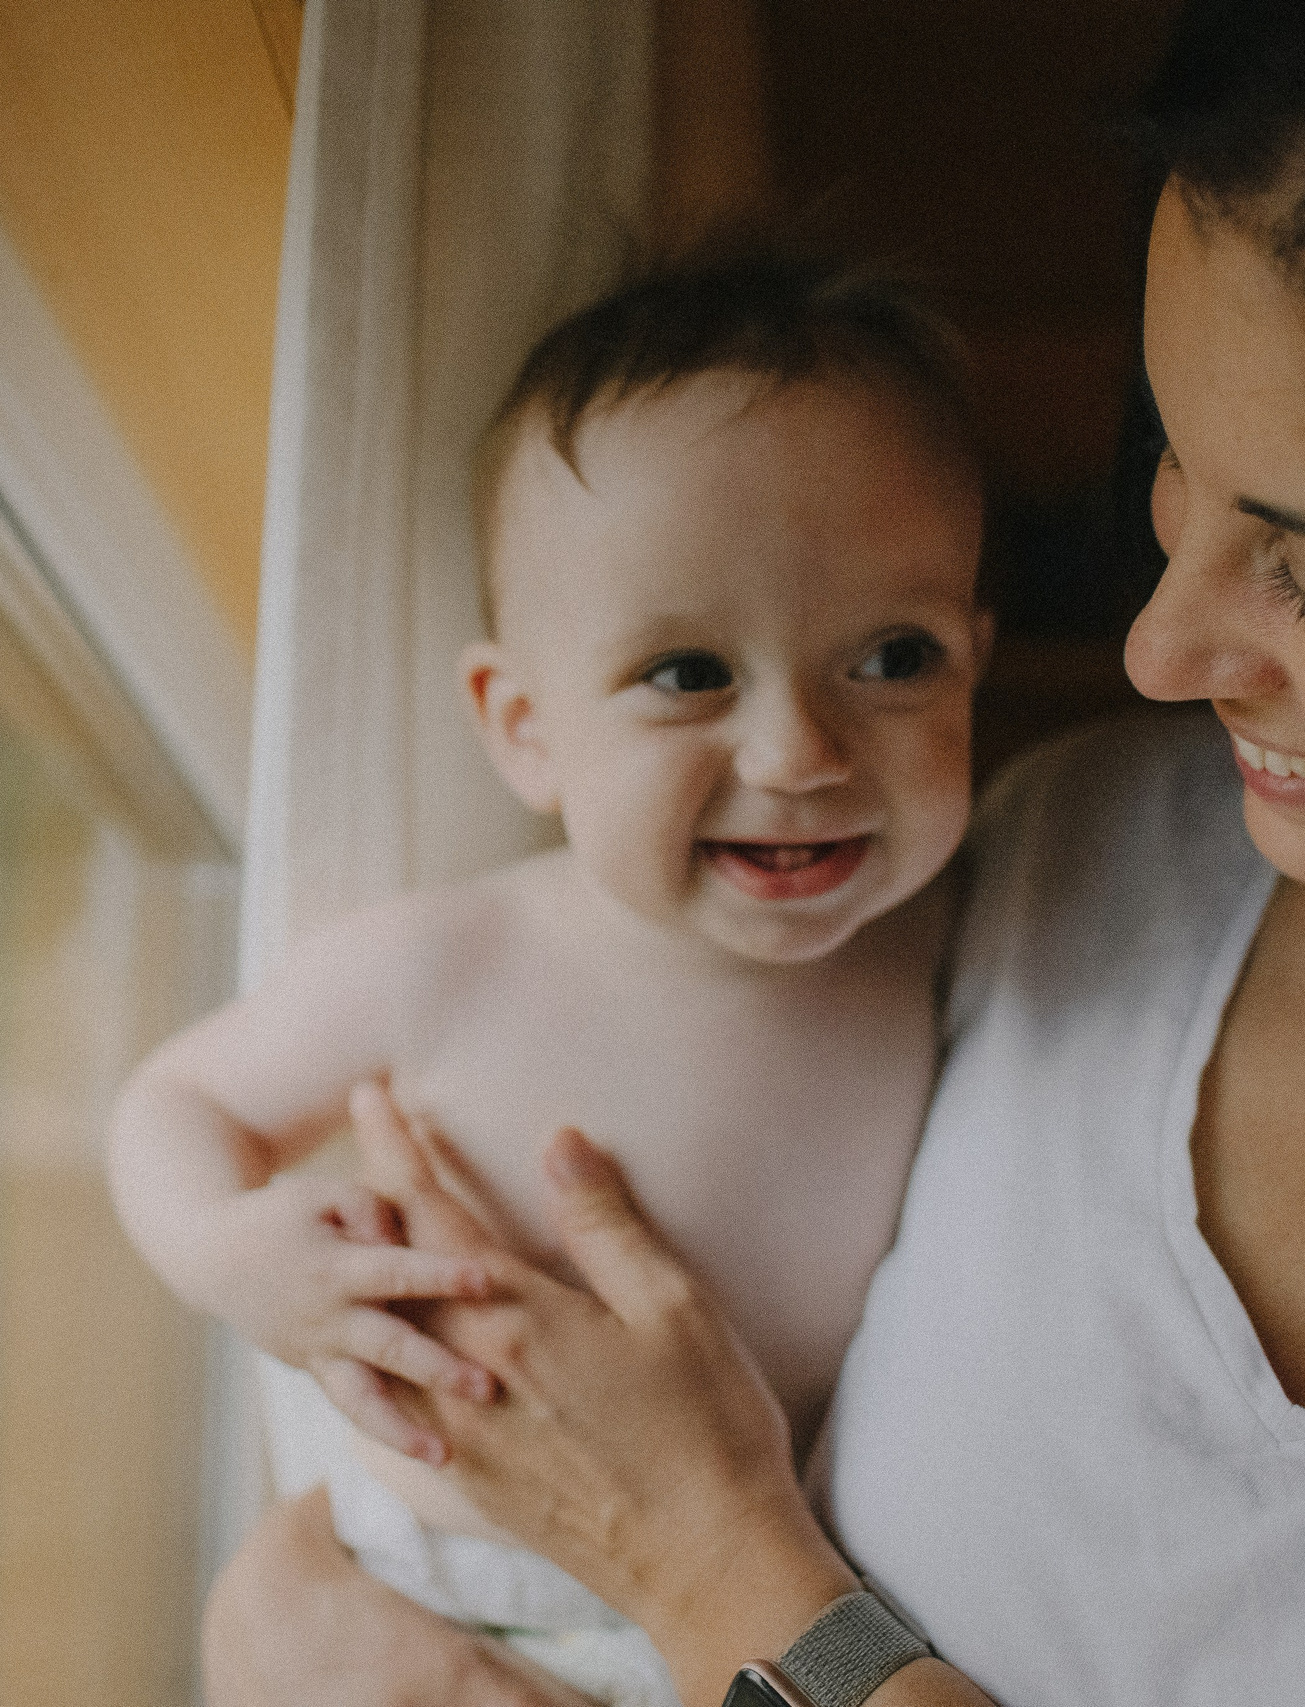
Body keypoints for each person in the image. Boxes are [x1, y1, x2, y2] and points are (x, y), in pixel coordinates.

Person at [200, 0, 1305, 1702]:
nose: (1154, 654)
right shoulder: (1065, 859)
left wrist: (701, 1558)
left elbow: (679, 1542)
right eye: (1170, 471)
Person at [107, 256, 992, 1706]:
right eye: (689, 672)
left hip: (762, 1618)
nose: (799, 755)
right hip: (434, 1595)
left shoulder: (962, 943)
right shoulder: (457, 959)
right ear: (523, 726)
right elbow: (178, 1095)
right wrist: (236, 1257)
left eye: (895, 657)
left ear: (978, 662)